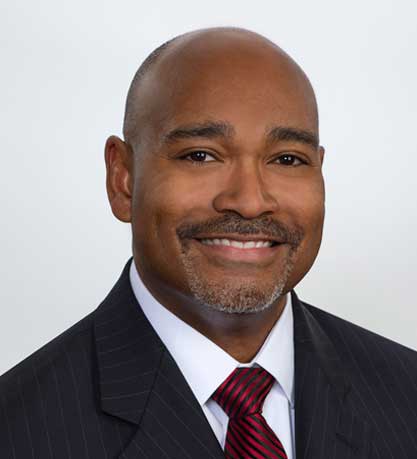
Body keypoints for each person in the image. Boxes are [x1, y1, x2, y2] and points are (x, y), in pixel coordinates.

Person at [1, 27, 416, 459]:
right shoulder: (21, 430)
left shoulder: (406, 395)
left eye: (287, 159)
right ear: (123, 179)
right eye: (200, 155)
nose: (250, 202)